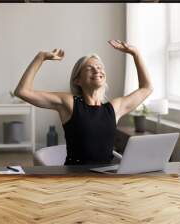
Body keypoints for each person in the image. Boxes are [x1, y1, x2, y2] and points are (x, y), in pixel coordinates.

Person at [14, 40, 153, 165]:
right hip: (75, 179)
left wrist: (135, 53)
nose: (97, 69)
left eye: (99, 67)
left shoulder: (114, 108)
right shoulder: (69, 103)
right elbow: (23, 91)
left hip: (107, 180)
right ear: (77, 80)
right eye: (89, 68)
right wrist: (41, 57)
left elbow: (147, 88)